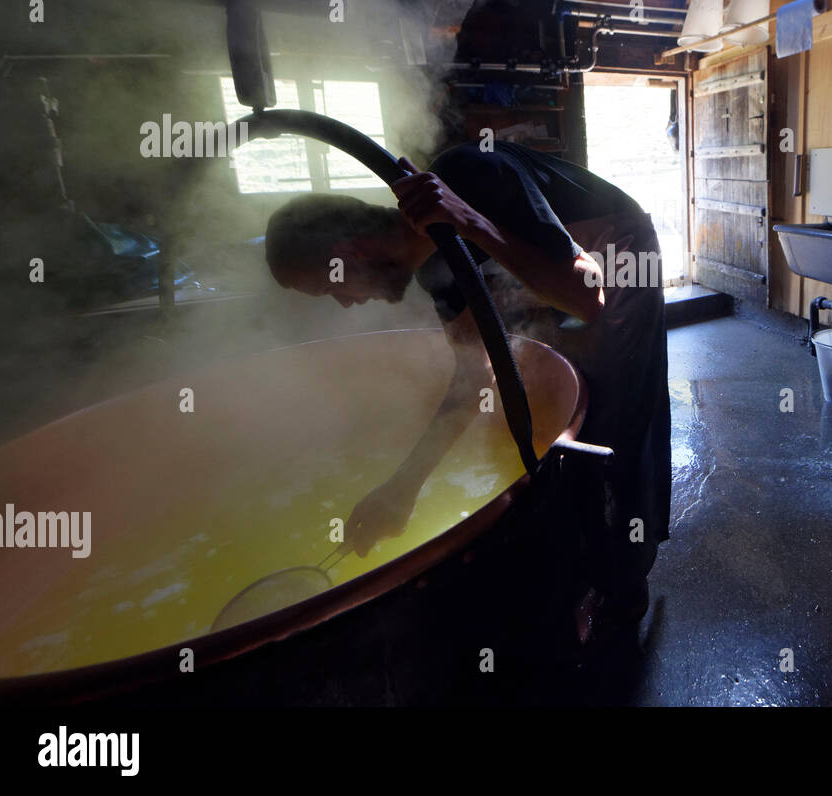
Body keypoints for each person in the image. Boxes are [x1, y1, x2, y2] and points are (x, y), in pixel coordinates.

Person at [263, 139, 671, 642]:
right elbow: (473, 378)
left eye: (330, 289)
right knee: (572, 403)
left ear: (347, 255)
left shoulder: (468, 174)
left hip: (621, 250)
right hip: (564, 276)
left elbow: (587, 296)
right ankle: (592, 564)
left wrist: (467, 219)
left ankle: (626, 586)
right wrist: (402, 489)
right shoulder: (436, 274)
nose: (347, 305)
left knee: (614, 412)